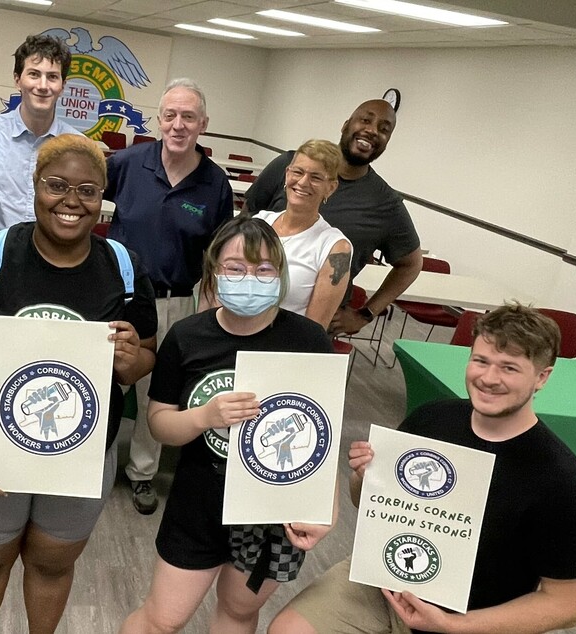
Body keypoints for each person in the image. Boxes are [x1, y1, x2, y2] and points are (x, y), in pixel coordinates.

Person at [0, 134, 158, 633]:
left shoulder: (123, 268)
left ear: (103, 198)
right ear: (34, 185)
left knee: (53, 563)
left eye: (88, 190)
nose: (72, 201)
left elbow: (145, 357)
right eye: (56, 185)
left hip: (78, 455)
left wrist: (129, 359)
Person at [268, 303, 576, 634]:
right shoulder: (433, 418)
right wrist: (363, 477)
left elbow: (568, 604)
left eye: (509, 368)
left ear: (542, 377)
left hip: (473, 616)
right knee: (288, 629)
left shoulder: (561, 481)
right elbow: (362, 501)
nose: (489, 378)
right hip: (385, 581)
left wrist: (453, 625)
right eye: (481, 361)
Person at [121, 216, 337, 633]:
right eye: (236, 267)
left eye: (264, 269)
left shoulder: (308, 340)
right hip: (199, 499)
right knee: (161, 619)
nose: (250, 278)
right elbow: (161, 424)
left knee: (239, 611)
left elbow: (323, 433)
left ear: (281, 275)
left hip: (271, 506)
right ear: (215, 271)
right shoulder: (187, 337)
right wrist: (205, 416)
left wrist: (324, 507)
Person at [105, 77, 233, 515]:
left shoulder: (215, 185)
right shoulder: (125, 163)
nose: (178, 125)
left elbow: (219, 256)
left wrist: (211, 314)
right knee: (100, 383)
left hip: (176, 303)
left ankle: (141, 473)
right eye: (170, 115)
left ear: (203, 125)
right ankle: (89, 463)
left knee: (157, 394)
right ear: (159, 120)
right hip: (115, 298)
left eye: (189, 117)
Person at [243, 99, 423, 337]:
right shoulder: (290, 164)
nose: (372, 130)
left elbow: (411, 264)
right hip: (247, 308)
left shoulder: (385, 203)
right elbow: (248, 218)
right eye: (366, 120)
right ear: (346, 124)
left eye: (384, 129)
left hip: (313, 329)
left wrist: (366, 313)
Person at [0, 33, 81, 232]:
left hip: (52, 258)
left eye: (52, 77)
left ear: (63, 86)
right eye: (34, 74)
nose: (43, 86)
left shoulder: (78, 145)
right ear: (17, 80)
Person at [249, 138, 351, 330]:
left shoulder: (335, 247)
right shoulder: (260, 223)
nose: (303, 182)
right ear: (287, 174)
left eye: (316, 177)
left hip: (283, 348)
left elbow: (313, 330)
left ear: (331, 187)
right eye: (298, 172)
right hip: (235, 335)